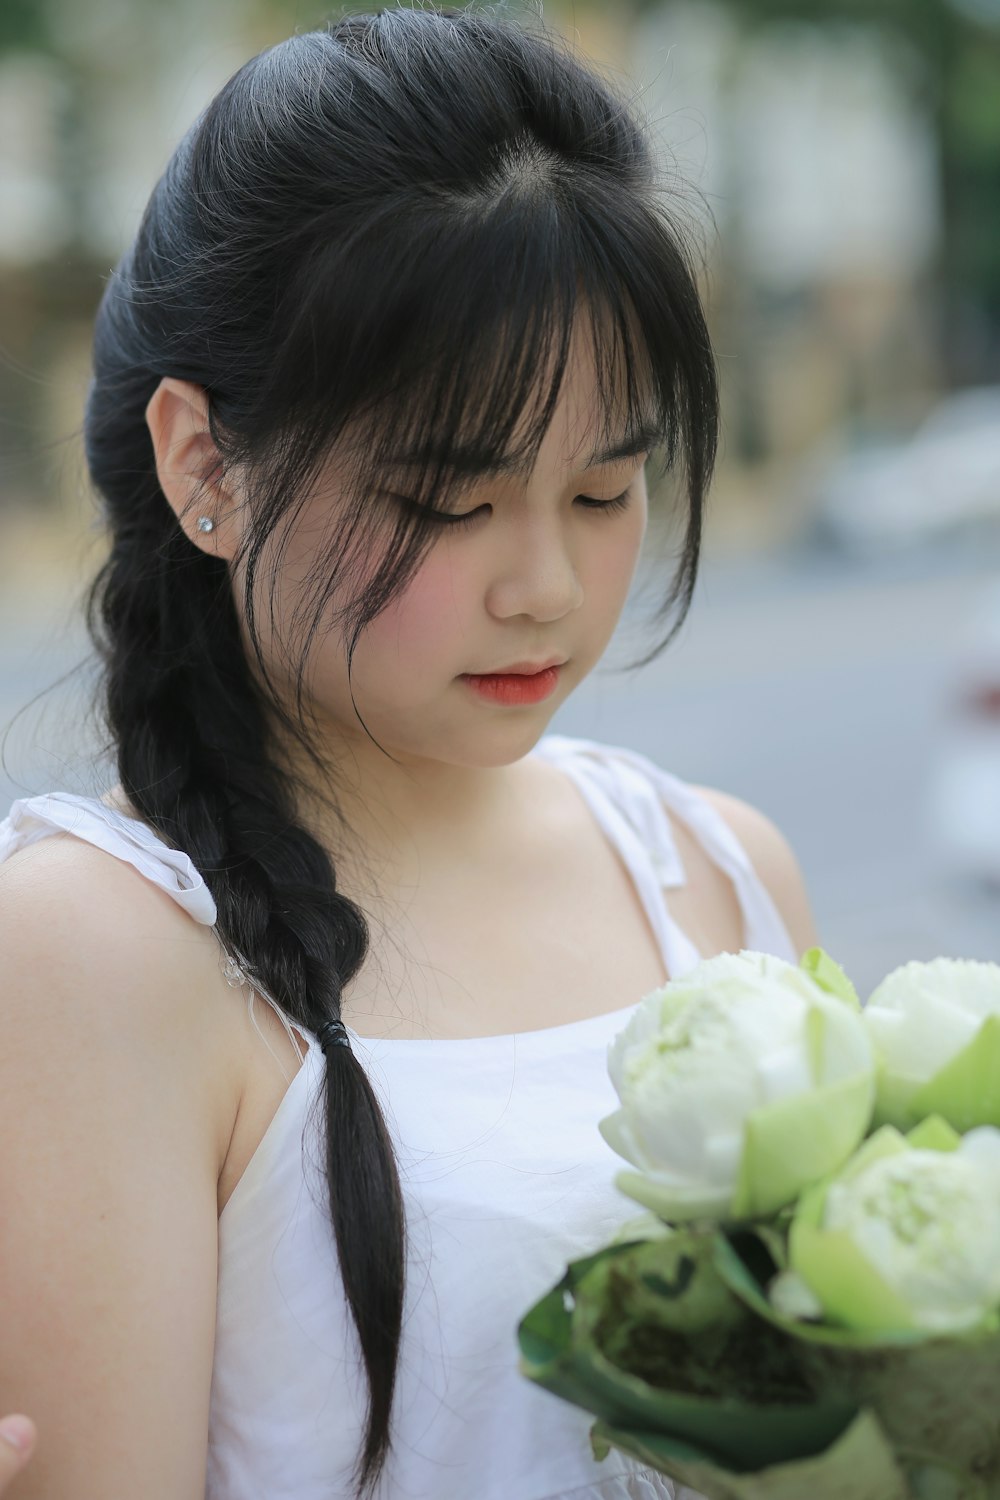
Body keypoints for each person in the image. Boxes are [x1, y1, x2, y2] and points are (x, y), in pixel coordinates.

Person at [0, 5, 820, 1497]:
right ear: (207, 467)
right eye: (452, 502)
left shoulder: (713, 870)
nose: (545, 588)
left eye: (603, 490)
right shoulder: (93, 952)